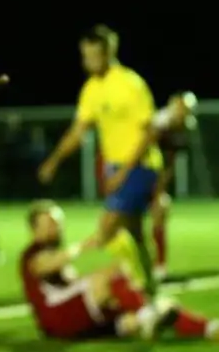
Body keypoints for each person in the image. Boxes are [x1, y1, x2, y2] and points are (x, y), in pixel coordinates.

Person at [21, 200, 219, 343]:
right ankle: (148, 313)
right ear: (34, 229)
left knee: (161, 308)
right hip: (59, 320)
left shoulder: (54, 255)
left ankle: (216, 329)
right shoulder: (32, 254)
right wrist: (86, 245)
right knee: (114, 272)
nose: (57, 227)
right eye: (50, 223)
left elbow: (70, 283)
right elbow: (46, 265)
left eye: (58, 222)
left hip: (77, 321)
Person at [38, 25, 161, 292]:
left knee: (107, 229)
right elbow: (78, 131)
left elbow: (149, 131)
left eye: (93, 55)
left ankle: (128, 288)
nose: (88, 61)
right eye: (85, 55)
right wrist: (54, 160)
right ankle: (149, 285)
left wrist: (122, 172)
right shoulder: (92, 88)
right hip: (117, 168)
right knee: (134, 232)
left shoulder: (130, 83)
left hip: (140, 165)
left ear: (109, 53)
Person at [148, 91, 198, 281]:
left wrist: (159, 189)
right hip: (135, 174)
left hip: (153, 176)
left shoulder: (181, 130)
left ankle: (159, 267)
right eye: (181, 108)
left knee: (161, 210)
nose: (184, 113)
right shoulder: (157, 125)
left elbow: (169, 164)